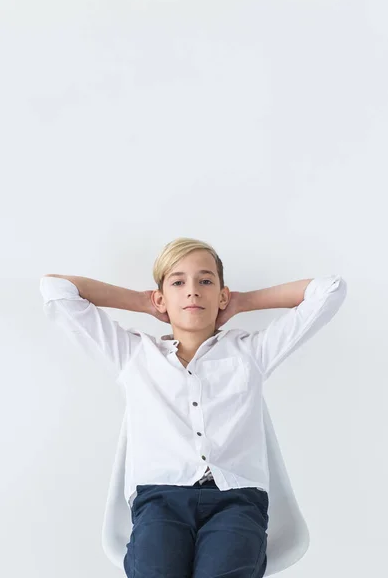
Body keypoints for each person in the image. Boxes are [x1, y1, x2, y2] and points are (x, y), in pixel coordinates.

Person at [41, 237, 347, 577]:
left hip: (236, 501)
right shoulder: (134, 355)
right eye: (177, 282)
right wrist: (144, 303)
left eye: (205, 281)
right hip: (160, 501)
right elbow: (56, 289)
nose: (192, 291)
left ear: (221, 294)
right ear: (161, 297)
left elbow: (330, 290)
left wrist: (241, 303)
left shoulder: (250, 354)